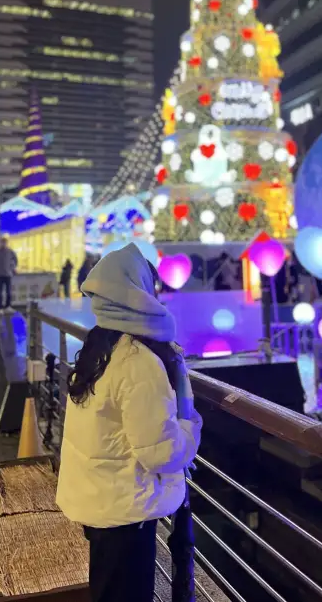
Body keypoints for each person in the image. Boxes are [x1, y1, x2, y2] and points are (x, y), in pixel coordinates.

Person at [57, 244, 202, 602]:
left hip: (101, 497)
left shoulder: (101, 345)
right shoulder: (138, 361)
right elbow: (162, 454)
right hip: (125, 508)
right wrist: (190, 426)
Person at [0, 237, 17, 309]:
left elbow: (15, 261)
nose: (3, 244)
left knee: (8, 291)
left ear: (7, 243)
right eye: (2, 242)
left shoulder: (11, 252)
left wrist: (12, 268)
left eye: (4, 242)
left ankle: (7, 305)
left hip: (7, 275)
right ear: (0, 243)